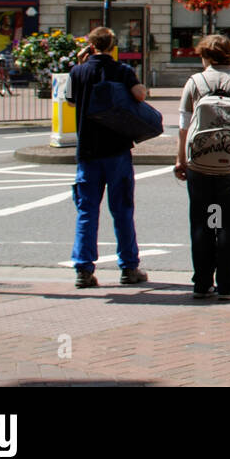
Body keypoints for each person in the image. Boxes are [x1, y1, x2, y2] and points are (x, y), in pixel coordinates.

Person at [174, 35, 230, 300]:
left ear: (205, 56)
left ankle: (202, 282)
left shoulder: (195, 82)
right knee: (226, 224)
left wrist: (180, 159)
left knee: (202, 223)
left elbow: (183, 126)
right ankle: (228, 284)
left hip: (199, 165)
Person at [66, 27, 150, 289]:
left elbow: (70, 101)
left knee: (87, 211)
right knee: (122, 209)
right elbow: (140, 94)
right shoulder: (122, 70)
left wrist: (81, 66)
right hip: (117, 149)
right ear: (113, 45)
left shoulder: (78, 71)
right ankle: (128, 267)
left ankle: (83, 269)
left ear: (90, 45)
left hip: (88, 150)